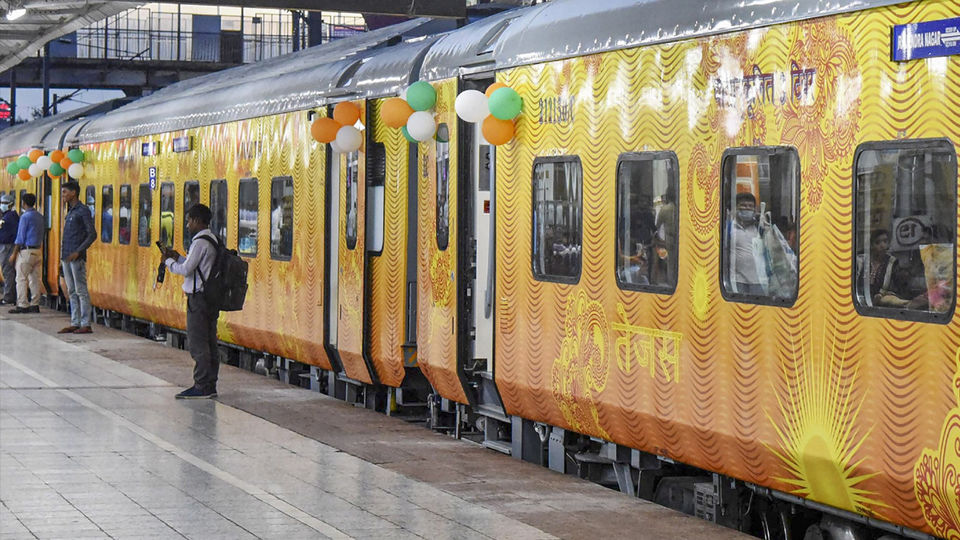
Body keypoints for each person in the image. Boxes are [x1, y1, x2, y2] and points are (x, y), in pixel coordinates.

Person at [163, 204, 221, 399]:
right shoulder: (212, 239)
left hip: (198, 300)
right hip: (209, 299)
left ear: (197, 220)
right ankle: (210, 384)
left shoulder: (199, 242)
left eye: (189, 220)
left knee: (198, 343)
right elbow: (194, 266)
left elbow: (186, 270)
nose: (187, 224)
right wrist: (178, 257)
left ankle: (201, 385)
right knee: (210, 341)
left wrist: (168, 262)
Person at [60, 181, 98, 334]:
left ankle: (85, 323)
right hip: (66, 256)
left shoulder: (83, 211)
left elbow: (92, 234)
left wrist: (79, 251)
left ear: (73, 193)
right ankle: (75, 322)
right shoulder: (71, 211)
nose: (63, 195)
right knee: (71, 290)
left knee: (81, 290)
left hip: (76, 257)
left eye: (64, 192)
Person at [856, 229, 925, 309]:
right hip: (861, 300)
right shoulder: (861, 260)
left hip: (882, 300)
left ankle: (910, 303)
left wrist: (882, 295)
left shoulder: (892, 262)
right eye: (877, 243)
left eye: (885, 241)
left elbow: (897, 286)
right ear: (871, 245)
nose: (882, 246)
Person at [8, 193, 43, 314]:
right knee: (34, 279)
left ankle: (22, 304)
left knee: (21, 279)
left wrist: (14, 254)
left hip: (26, 251)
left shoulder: (25, 217)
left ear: (24, 203)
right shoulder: (40, 216)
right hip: (38, 251)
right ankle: (35, 304)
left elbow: (20, 237)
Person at [727, 192, 766, 295]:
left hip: (758, 281)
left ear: (754, 210)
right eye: (743, 205)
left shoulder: (758, 228)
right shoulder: (729, 228)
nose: (747, 209)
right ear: (737, 207)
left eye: (750, 206)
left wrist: (767, 229)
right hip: (737, 280)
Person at [0, 194, 19, 305]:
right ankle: (9, 295)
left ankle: (8, 297)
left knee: (7, 271)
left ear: (11, 204)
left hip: (7, 246)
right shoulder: (8, 216)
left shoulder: (10, 217)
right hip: (5, 245)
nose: (2, 205)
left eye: (4, 203)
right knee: (7, 271)